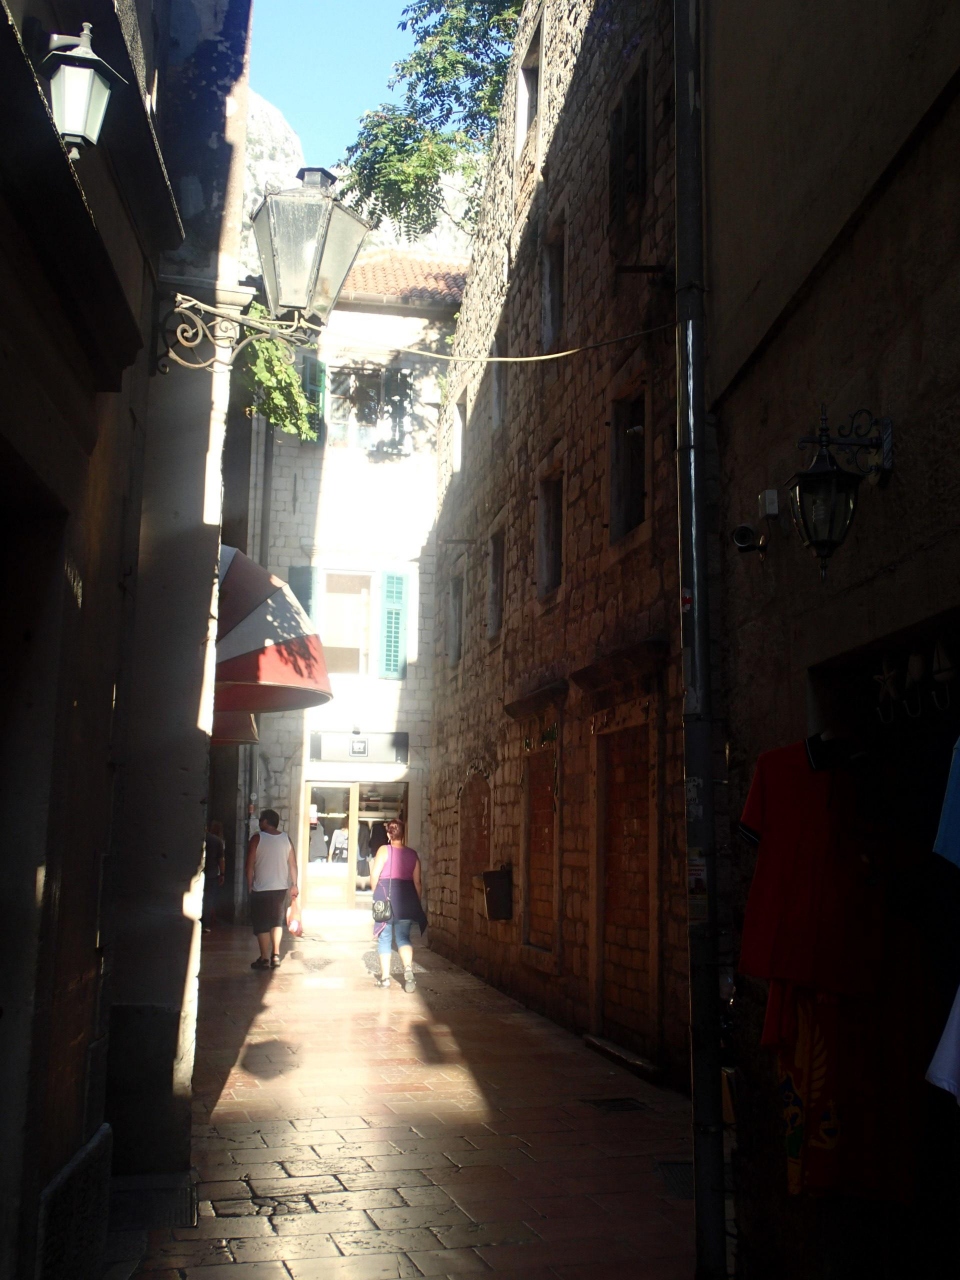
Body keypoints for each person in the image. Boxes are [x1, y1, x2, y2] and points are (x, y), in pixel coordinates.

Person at [370, 819, 427, 992]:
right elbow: (417, 883)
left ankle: (385, 979)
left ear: (389, 834)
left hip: (386, 898)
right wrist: (416, 902)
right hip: (407, 900)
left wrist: (376, 897)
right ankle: (408, 970)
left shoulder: (383, 850)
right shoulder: (413, 854)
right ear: (404, 834)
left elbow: (374, 875)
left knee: (385, 938)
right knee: (403, 938)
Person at [245, 809, 298, 971]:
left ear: (266, 822)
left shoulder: (257, 838)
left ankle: (264, 958)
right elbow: (293, 864)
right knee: (276, 922)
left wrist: (249, 885)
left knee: (262, 924)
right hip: (280, 888)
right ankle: (276, 955)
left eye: (261, 820)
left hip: (261, 888)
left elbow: (250, 865)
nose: (259, 823)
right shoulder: (286, 839)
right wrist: (294, 884)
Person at [201, 820, 226, 933]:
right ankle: (205, 924)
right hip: (211, 874)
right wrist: (222, 874)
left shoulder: (194, 839)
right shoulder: (217, 841)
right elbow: (221, 859)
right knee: (208, 900)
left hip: (196, 873)